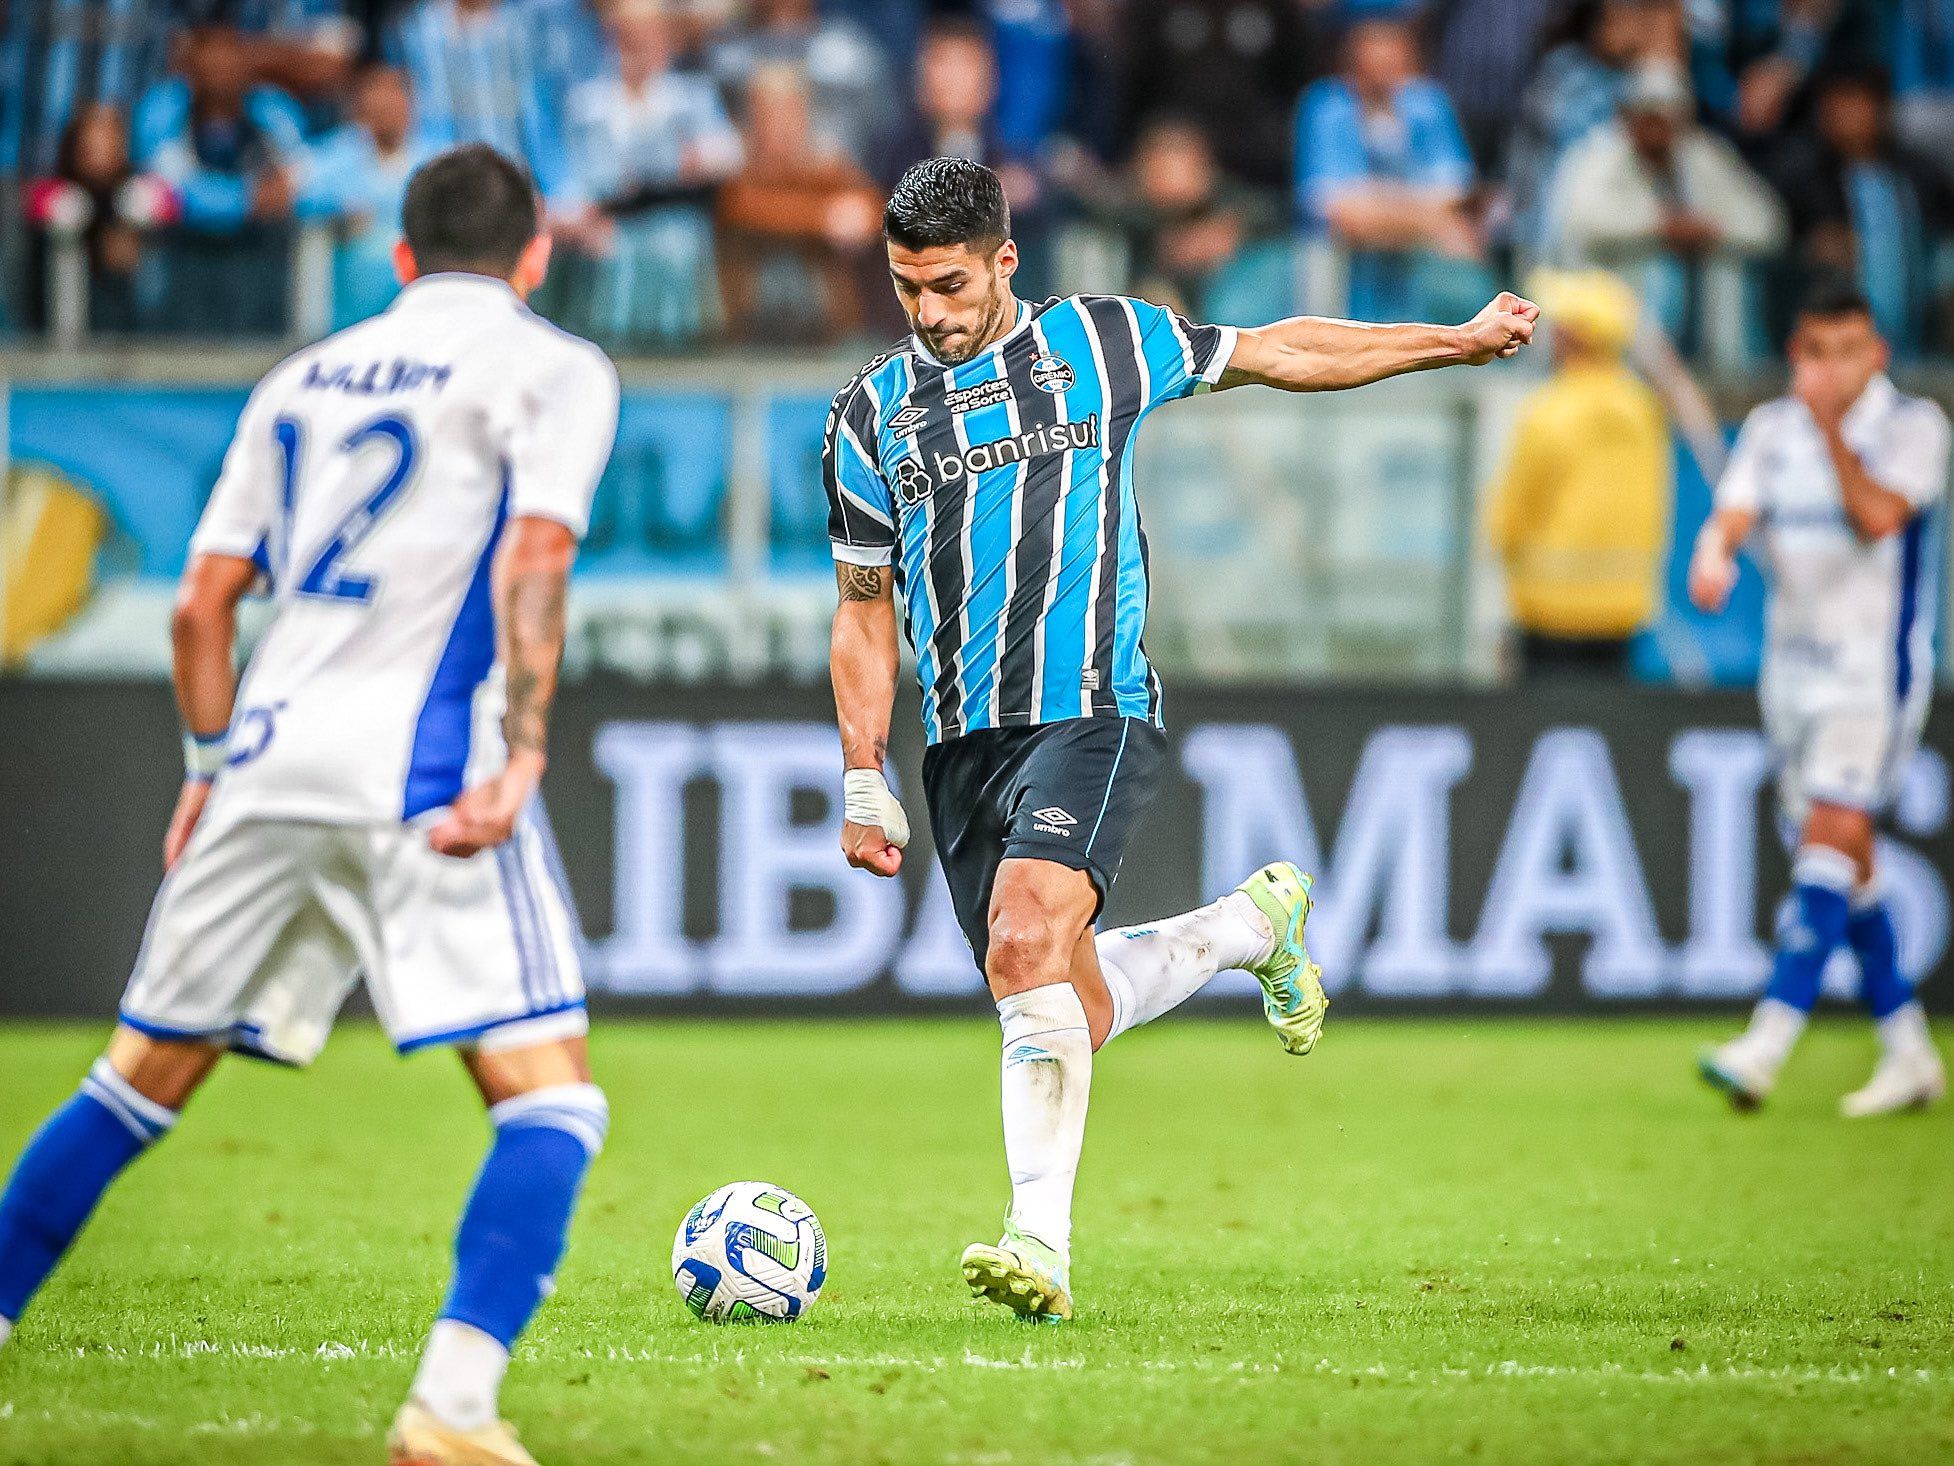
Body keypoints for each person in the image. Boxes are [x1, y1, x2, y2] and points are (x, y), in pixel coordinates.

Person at [825, 156, 1537, 1320]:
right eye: (907, 288)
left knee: (1022, 940)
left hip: (1094, 705)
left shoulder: (1100, 345)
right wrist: (862, 767)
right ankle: (1247, 925)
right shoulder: (866, 416)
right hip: (960, 743)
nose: (930, 313)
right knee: (1069, 1006)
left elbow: (1281, 349)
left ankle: (1036, 1243)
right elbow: (861, 608)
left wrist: (1449, 342)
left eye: (949, 284)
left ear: (1006, 260)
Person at [0, 143, 621, 1466]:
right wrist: (518, 751)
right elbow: (536, 551)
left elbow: (200, 602)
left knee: (133, 1081)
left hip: (267, 762)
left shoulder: (300, 377)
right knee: (551, 1101)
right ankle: (450, 1407)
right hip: (420, 769)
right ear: (537, 254)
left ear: (396, 258)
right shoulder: (551, 365)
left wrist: (208, 766)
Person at [1692, 280, 1948, 1118]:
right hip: (1790, 673)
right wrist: (1715, 555)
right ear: (1798, 354)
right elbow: (1731, 512)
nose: (1828, 369)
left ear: (1874, 355)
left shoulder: (1916, 428)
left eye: (1846, 351)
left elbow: (1878, 517)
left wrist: (1833, 430)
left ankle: (1766, 1044)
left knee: (1834, 830)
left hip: (1873, 673)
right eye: (1813, 351)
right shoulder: (1770, 429)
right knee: (1845, 859)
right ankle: (1909, 1049)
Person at [1485, 268, 1671, 680]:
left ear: (1576, 336)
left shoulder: (1550, 408)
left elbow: (1513, 510)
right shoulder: (1642, 407)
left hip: (1548, 607)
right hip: (1622, 605)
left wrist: (1497, 544)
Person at [1295, 15, 1482, 323]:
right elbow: (1341, 212)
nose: (1383, 53)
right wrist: (1431, 223)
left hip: (1416, 278)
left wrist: (1378, 209)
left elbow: (1456, 196)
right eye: (1372, 40)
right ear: (1350, 48)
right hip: (1341, 280)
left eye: (1392, 39)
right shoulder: (1325, 106)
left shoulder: (1429, 102)